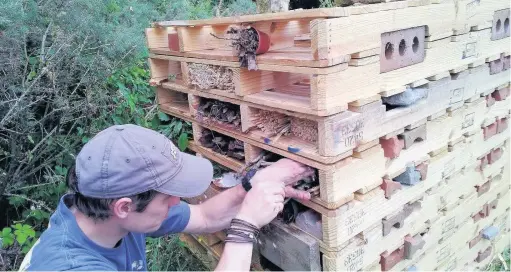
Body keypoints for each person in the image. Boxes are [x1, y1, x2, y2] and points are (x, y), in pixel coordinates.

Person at [19, 124, 313, 271]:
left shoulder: (114, 217)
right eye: (168, 196)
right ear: (123, 206)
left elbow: (206, 216)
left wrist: (252, 185)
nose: (178, 202)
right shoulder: (71, 266)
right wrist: (245, 226)